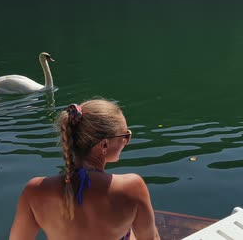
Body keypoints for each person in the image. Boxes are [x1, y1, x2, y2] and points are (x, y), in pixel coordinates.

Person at [9, 99, 161, 240]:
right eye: (125, 135)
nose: (126, 141)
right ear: (104, 145)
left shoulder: (34, 190)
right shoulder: (132, 187)